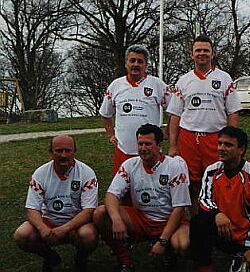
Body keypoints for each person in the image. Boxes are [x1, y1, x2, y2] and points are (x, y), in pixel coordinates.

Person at [93, 124, 191, 272]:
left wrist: (163, 241)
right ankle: (125, 260)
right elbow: (111, 194)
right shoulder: (130, 165)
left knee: (184, 245)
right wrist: (116, 219)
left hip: (170, 220)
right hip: (142, 219)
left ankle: (170, 251)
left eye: (148, 144)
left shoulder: (175, 166)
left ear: (159, 145)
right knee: (101, 213)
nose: (143, 148)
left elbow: (179, 208)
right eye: (140, 144)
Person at [167, 35, 241, 207]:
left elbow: (233, 112)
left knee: (217, 179)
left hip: (215, 138)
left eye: (205, 50)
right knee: (192, 183)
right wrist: (173, 145)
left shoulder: (224, 79)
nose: (202, 53)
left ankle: (216, 217)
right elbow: (175, 115)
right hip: (189, 138)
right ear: (191, 54)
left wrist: (233, 139)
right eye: (198, 50)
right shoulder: (183, 81)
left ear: (212, 54)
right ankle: (196, 221)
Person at [190, 126, 250, 272]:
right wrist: (217, 214)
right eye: (220, 143)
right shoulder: (211, 171)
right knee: (198, 221)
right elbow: (203, 199)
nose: (221, 148)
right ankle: (204, 266)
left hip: (248, 239)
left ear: (241, 149)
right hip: (223, 232)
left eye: (228, 145)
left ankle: (245, 256)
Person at [13, 135, 99, 271]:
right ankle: (50, 257)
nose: (63, 155)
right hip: (49, 221)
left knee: (88, 236)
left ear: (75, 152)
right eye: (58, 151)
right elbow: (31, 209)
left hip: (76, 223)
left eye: (68, 150)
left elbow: (89, 210)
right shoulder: (40, 174)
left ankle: (81, 258)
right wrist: (42, 228)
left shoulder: (87, 173)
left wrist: (65, 228)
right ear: (51, 152)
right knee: (22, 235)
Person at [100, 44, 171, 175]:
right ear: (126, 63)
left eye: (140, 61)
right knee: (123, 190)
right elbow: (105, 113)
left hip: (151, 152)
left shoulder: (157, 84)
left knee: (152, 189)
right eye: (132, 61)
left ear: (146, 65)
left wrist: (167, 132)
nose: (136, 64)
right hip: (124, 150)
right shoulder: (116, 86)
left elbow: (174, 111)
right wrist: (110, 134)